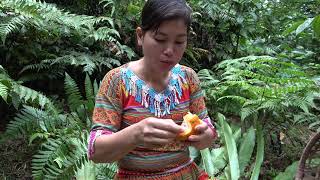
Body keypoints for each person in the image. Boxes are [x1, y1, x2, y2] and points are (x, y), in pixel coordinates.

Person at [88, 0, 218, 179]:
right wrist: (136, 133)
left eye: (179, 41)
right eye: (160, 39)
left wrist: (205, 136)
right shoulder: (117, 81)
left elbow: (208, 131)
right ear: (140, 36)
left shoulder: (188, 78)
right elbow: (96, 152)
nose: (170, 50)